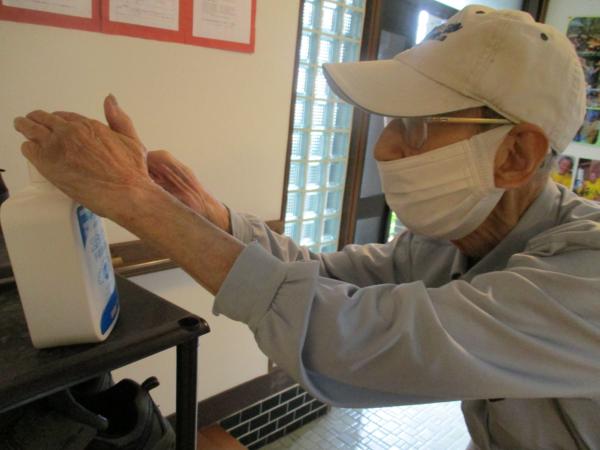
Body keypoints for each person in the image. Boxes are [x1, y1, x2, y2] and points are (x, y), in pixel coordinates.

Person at [12, 5, 600, 450]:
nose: (385, 147)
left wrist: (137, 202)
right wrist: (207, 215)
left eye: (417, 126)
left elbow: (352, 342)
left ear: (516, 155)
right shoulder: (445, 244)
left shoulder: (586, 276)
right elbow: (318, 276)